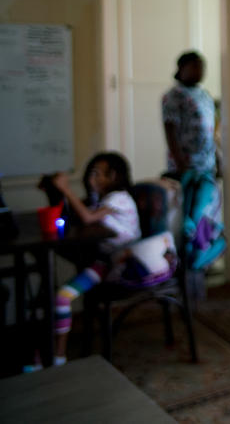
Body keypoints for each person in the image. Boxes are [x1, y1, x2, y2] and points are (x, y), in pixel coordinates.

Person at [50, 152, 140, 366]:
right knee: (61, 297)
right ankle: (57, 357)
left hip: (124, 267)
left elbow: (88, 218)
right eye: (92, 174)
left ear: (115, 176)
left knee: (62, 295)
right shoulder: (101, 200)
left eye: (99, 174)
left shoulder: (119, 197)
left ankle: (56, 356)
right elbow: (78, 214)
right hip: (103, 265)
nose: (93, 179)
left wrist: (65, 188)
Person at [162, 51, 216, 178]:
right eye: (195, 67)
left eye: (202, 67)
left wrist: (217, 158)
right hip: (186, 164)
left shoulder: (204, 95)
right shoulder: (174, 96)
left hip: (207, 162)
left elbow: (210, 130)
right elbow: (170, 131)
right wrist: (180, 162)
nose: (200, 71)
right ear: (182, 68)